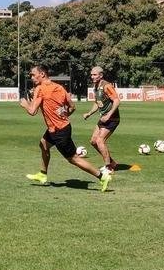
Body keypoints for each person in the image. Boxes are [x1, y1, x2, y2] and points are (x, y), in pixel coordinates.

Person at [20, 64, 112, 192]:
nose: (31, 77)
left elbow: (32, 111)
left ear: (42, 74)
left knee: (73, 159)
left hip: (59, 131)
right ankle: (42, 174)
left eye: (33, 75)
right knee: (43, 144)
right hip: (61, 127)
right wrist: (63, 115)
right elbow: (72, 107)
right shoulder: (59, 88)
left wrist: (25, 104)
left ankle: (102, 176)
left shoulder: (40, 89)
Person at [82, 66, 120, 172]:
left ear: (101, 75)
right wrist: (89, 113)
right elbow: (97, 103)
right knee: (93, 141)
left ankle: (109, 167)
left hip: (112, 118)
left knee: (99, 140)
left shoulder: (107, 86)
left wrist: (109, 115)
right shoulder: (96, 86)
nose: (92, 76)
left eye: (94, 75)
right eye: (91, 75)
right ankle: (112, 163)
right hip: (103, 118)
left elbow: (117, 101)